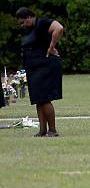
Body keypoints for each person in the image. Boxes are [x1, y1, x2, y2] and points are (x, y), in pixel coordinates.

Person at [15, 7, 64, 137]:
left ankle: (52, 130)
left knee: (44, 98)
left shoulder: (42, 23)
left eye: (22, 22)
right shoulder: (31, 30)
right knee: (38, 99)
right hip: (35, 68)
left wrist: (52, 46)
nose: (22, 25)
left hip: (45, 66)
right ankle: (42, 130)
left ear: (29, 17)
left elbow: (59, 28)